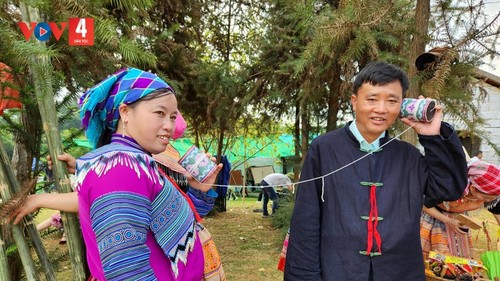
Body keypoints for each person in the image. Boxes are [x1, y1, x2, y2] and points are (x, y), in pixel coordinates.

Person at [284, 61, 468, 281]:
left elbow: (449, 188)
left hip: (400, 272)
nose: (381, 109)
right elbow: (306, 221)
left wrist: (432, 136)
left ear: (401, 105)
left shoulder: (408, 157)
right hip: (337, 271)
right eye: (372, 99)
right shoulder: (324, 149)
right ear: (354, 101)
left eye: (392, 101)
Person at [75, 67, 223, 281]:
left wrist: (199, 191)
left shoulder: (138, 162)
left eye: (173, 117)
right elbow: (125, 268)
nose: (169, 126)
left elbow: (166, 224)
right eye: (160, 113)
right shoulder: (120, 167)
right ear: (125, 112)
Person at [420, 161, 500, 259]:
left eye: (492, 198)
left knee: (458, 262)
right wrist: (448, 220)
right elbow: (424, 205)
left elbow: (497, 211)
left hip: (459, 224)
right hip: (435, 220)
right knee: (435, 259)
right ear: (473, 188)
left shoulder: (492, 194)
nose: (488, 200)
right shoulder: (450, 187)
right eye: (486, 197)